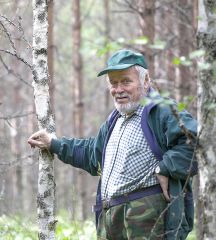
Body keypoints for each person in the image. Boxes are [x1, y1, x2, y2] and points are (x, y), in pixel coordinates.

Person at [28, 49, 197, 240]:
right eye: (113, 83)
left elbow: (195, 142)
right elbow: (93, 155)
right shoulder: (114, 120)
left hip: (147, 217)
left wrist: (166, 168)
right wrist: (54, 144)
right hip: (112, 220)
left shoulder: (162, 111)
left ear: (146, 80)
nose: (118, 89)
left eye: (126, 81)